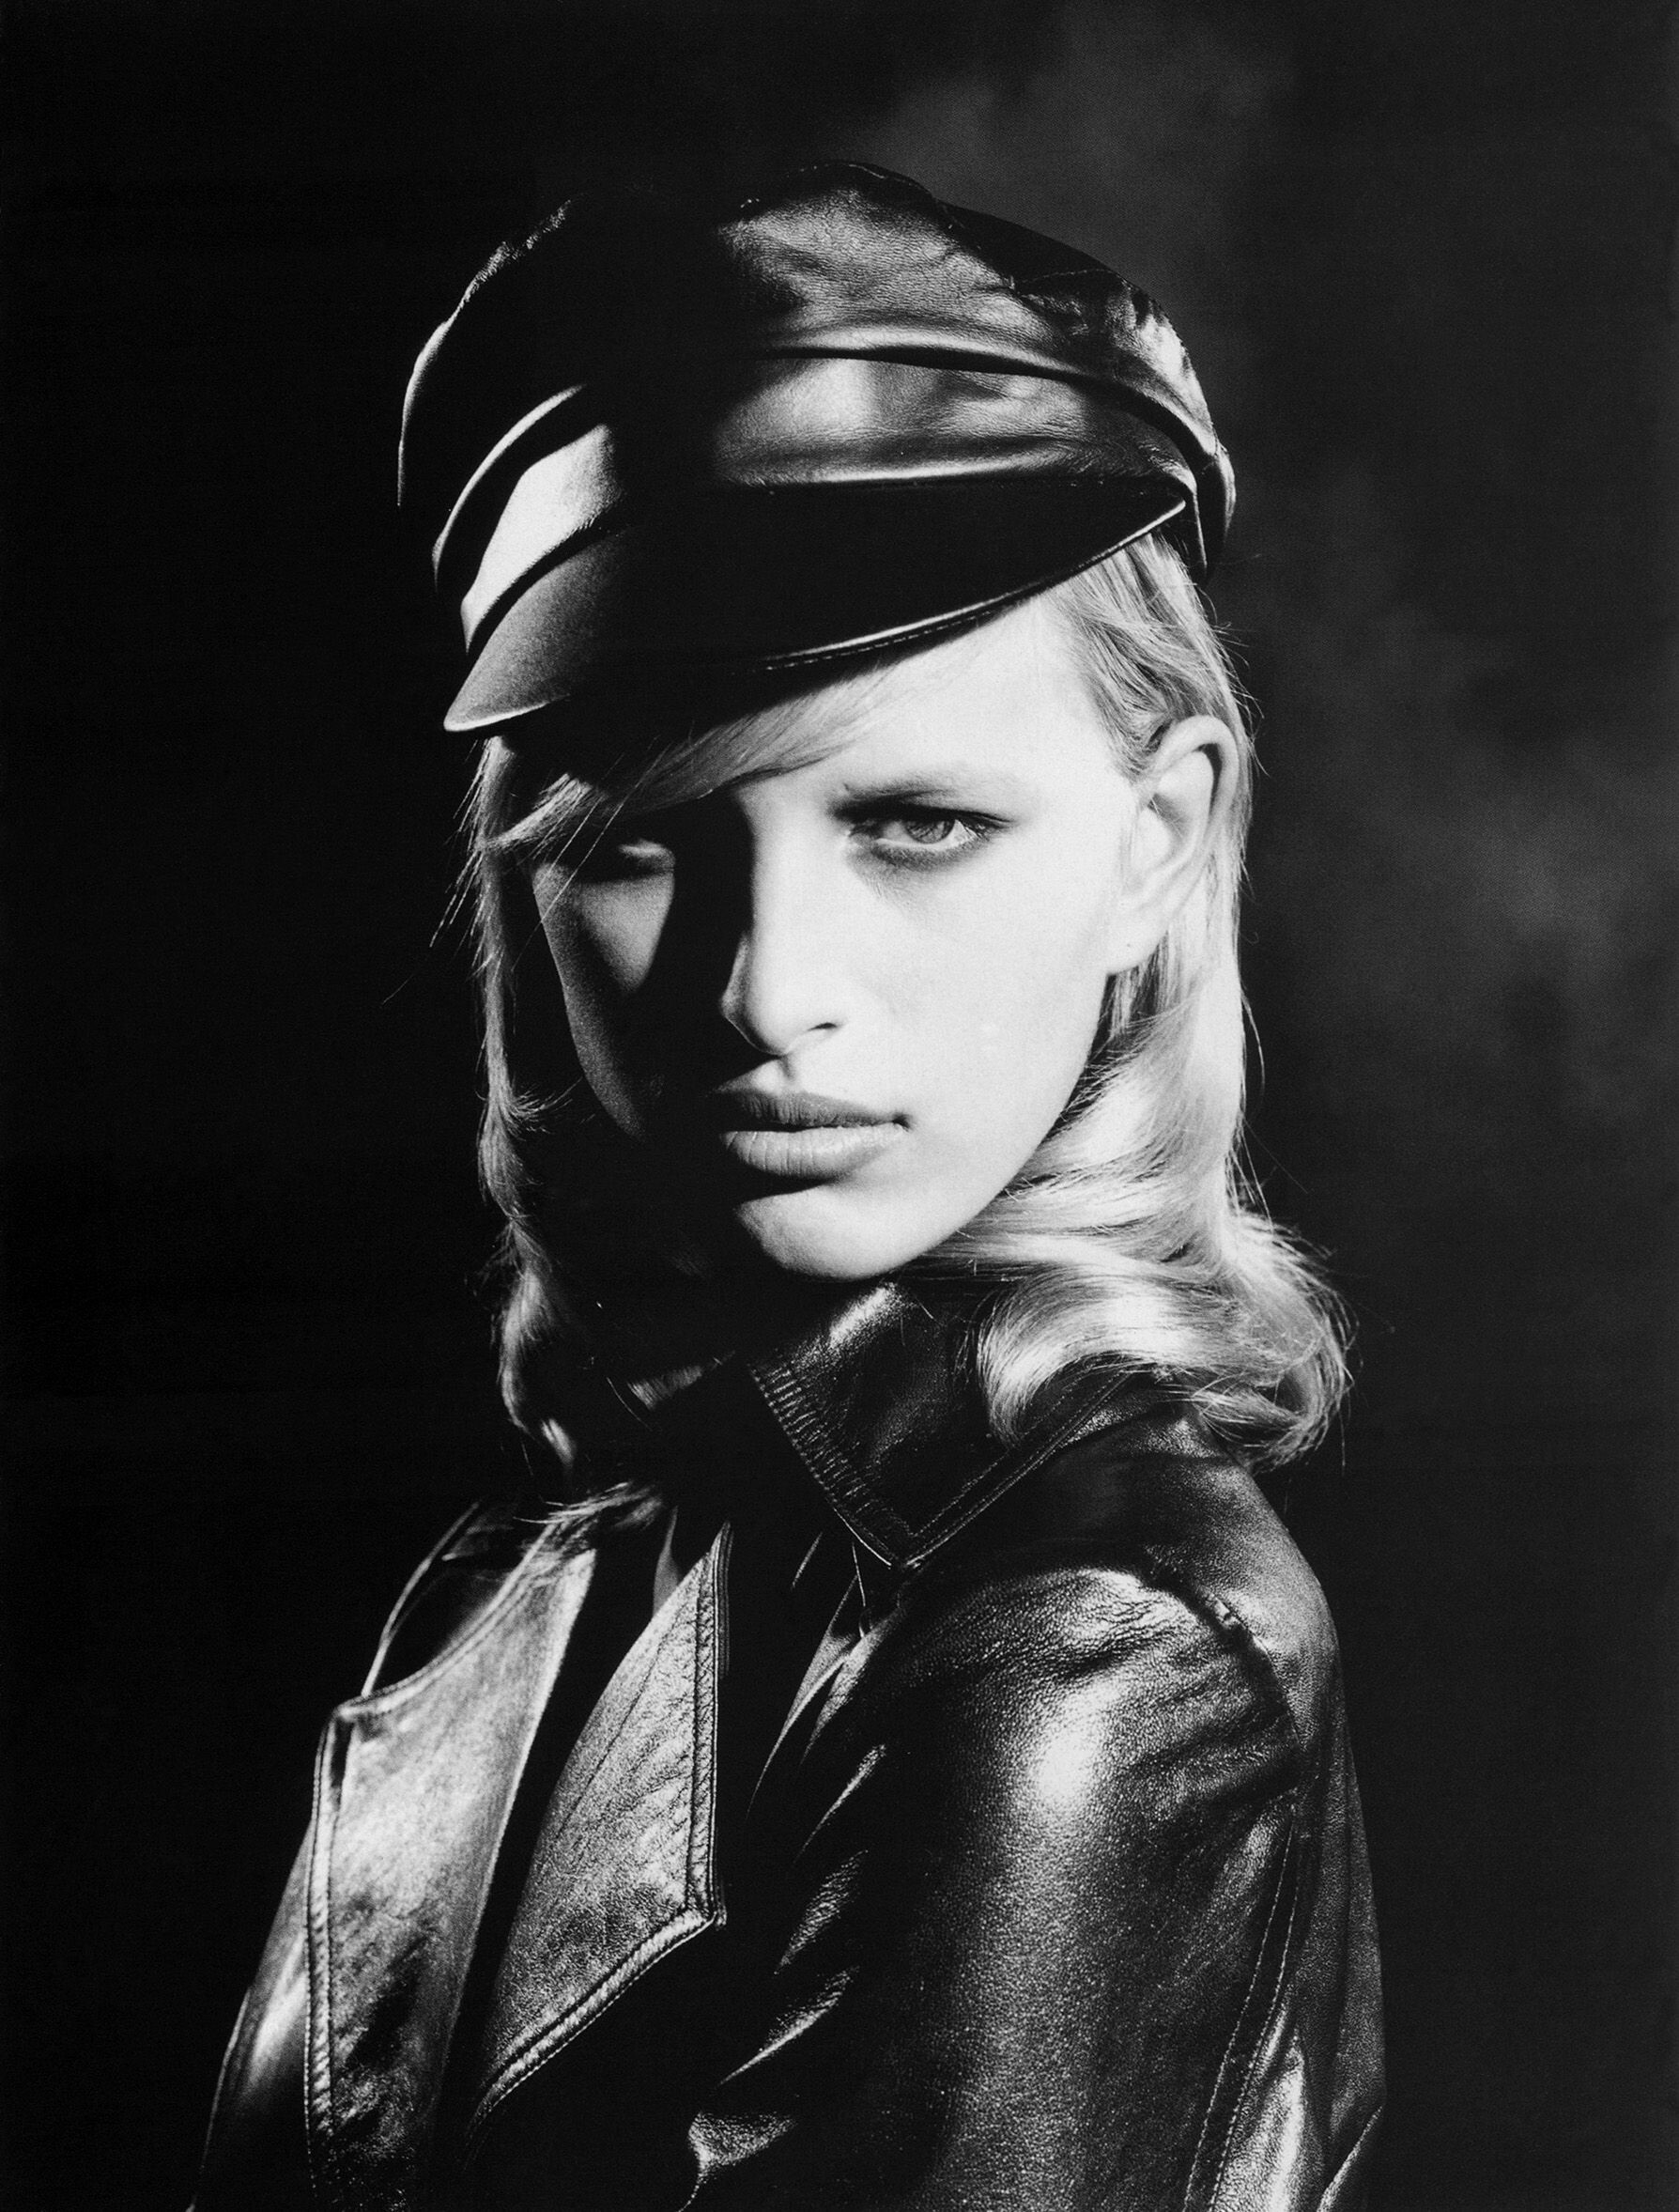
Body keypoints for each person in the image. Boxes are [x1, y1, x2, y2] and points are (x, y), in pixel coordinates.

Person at [193, 162, 1383, 2211]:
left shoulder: (1088, 1650)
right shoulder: (536, 1582)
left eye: (917, 823)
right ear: (525, 884)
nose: (765, 991)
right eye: (647, 841)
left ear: (1158, 842)